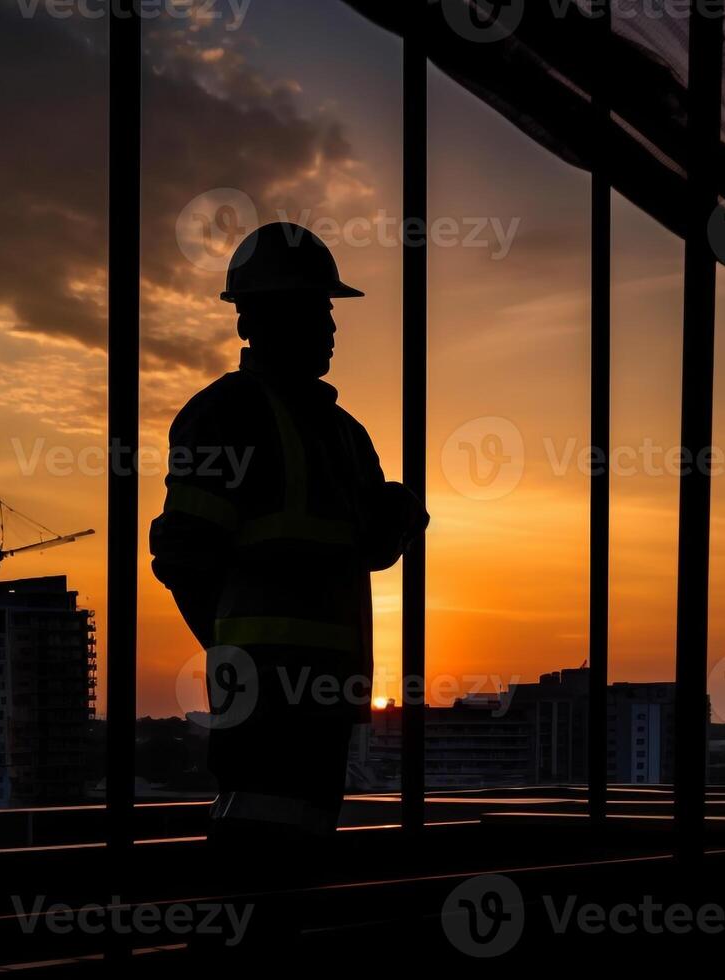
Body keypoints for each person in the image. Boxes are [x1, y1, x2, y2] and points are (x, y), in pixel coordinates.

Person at [150, 222, 428, 928]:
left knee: (304, 848)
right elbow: (183, 553)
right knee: (260, 845)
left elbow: (365, 549)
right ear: (259, 319)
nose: (331, 324)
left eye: (330, 308)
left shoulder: (341, 432)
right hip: (267, 694)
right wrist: (233, 656)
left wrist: (396, 516)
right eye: (315, 307)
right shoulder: (226, 415)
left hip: (327, 692)